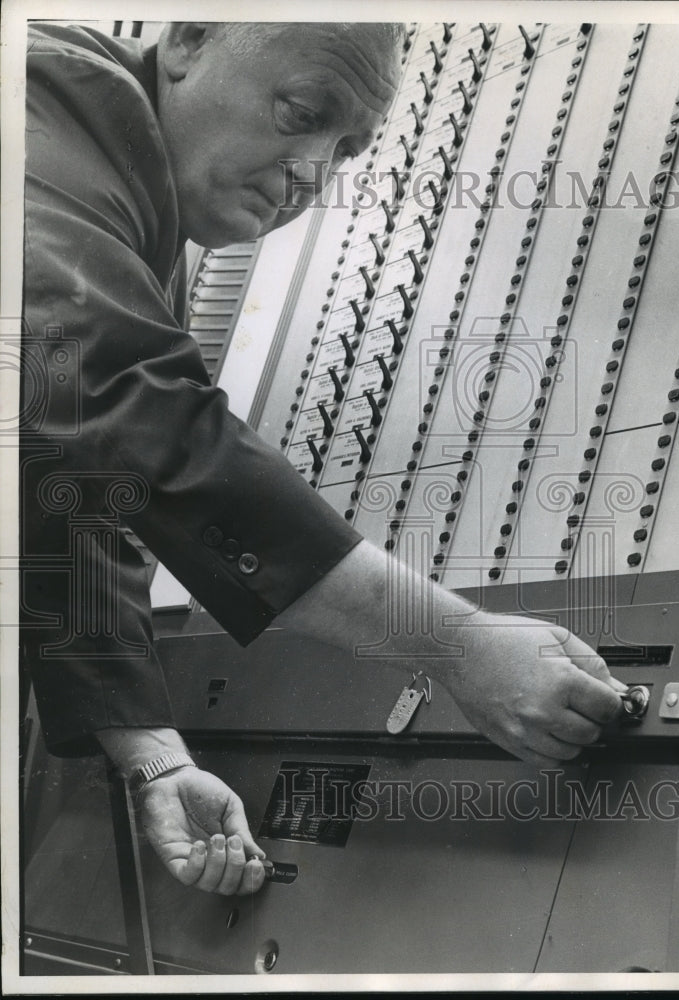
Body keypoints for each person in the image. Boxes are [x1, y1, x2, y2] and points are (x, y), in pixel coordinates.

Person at [22, 20, 626, 899]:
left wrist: (153, 760)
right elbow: (119, 396)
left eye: (345, 150)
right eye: (303, 112)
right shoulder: (43, 99)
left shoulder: (140, 221)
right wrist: (449, 639)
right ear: (188, 40)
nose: (313, 176)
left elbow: (77, 497)